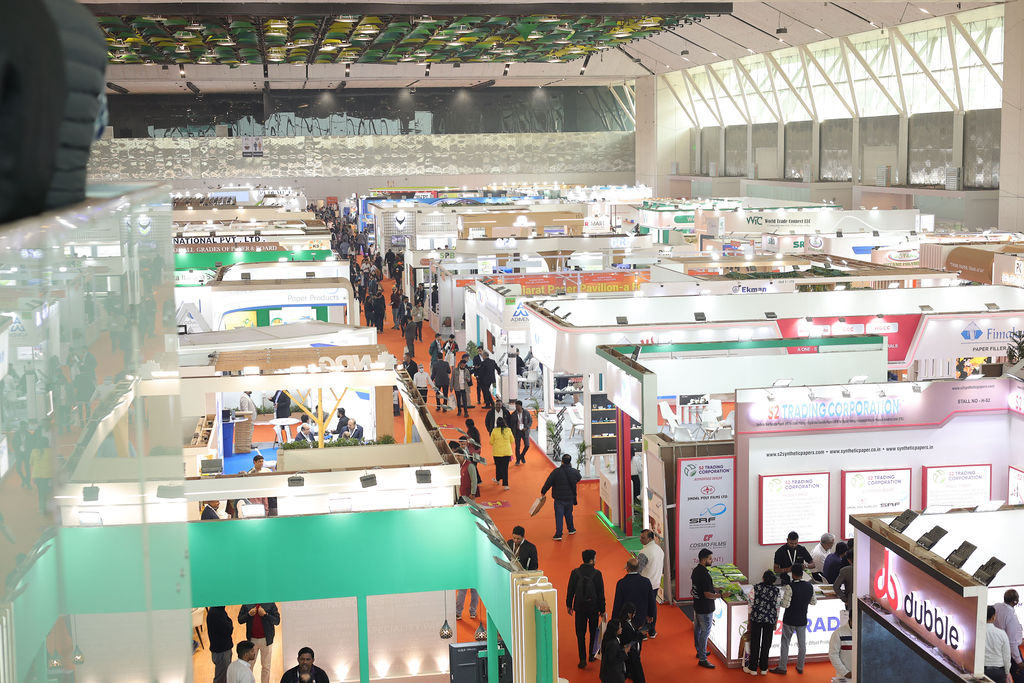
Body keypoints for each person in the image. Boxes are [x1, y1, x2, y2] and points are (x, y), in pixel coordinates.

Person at [770, 563, 816, 675]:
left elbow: (785, 605)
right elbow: (813, 602)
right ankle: (800, 666)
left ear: (792, 573)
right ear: (802, 573)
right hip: (802, 619)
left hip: (789, 619)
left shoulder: (789, 587)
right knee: (802, 644)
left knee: (785, 643)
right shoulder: (810, 586)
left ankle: (782, 667)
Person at [567, 549, 606, 669]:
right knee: (594, 632)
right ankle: (592, 654)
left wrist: (569, 605)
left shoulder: (575, 573)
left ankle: (582, 659)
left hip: (579, 607)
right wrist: (602, 610)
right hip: (593, 608)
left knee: (580, 633)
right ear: (591, 560)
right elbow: (600, 593)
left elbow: (570, 590)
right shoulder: (597, 574)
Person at [745, 570, 781, 675]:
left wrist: (749, 620)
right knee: (766, 643)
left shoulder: (755, 588)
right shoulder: (776, 591)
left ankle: (753, 668)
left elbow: (750, 605)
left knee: (755, 643)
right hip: (770, 620)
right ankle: (764, 667)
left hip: (756, 618)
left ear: (763, 578)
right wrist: (775, 621)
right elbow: (777, 608)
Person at [541, 454, 582, 540]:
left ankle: (558, 534)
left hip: (559, 498)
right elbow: (579, 478)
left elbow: (548, 482)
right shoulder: (574, 471)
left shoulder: (556, 472)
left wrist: (543, 492)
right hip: (570, 498)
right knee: (569, 514)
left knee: (559, 516)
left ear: (562, 461)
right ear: (570, 462)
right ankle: (571, 529)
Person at [691, 548, 721, 669]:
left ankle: (699, 651)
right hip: (705, 608)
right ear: (704, 559)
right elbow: (708, 594)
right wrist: (721, 595)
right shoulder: (705, 575)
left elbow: (694, 589)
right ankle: (703, 658)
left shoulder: (696, 571)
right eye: (710, 558)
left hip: (697, 606)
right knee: (705, 632)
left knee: (697, 629)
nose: (711, 560)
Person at [238, 603, 281, 683]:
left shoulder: (270, 603)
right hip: (251, 641)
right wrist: (248, 614)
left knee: (266, 667)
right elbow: (240, 620)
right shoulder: (247, 603)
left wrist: (266, 615)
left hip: (266, 641)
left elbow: (277, 621)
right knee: (249, 666)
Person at [612, 557, 656, 629]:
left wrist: (614, 619)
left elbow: (617, 602)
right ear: (638, 568)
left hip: (625, 617)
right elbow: (651, 600)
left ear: (627, 568)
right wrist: (651, 614)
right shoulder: (646, 582)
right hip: (641, 615)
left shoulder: (621, 583)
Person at [637, 529, 664, 638]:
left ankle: (643, 633)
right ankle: (652, 630)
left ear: (650, 538)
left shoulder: (644, 552)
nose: (640, 539)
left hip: (644, 584)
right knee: (652, 608)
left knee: (642, 608)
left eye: (643, 538)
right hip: (656, 583)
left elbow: (637, 570)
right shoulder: (659, 550)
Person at [994, 589, 1024, 680]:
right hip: (1009, 651)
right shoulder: (1010, 617)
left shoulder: (996, 606)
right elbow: (1012, 642)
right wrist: (1019, 662)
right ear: (1015, 601)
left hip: (998, 647)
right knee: (1020, 676)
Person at [618, 602, 647, 683]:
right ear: (628, 613)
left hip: (629, 654)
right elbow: (631, 639)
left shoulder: (625, 622)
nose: (634, 615)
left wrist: (638, 631)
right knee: (639, 677)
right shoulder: (625, 625)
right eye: (633, 613)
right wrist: (640, 634)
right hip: (631, 654)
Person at [207, 606, 234, 683]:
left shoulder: (218, 611)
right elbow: (229, 629)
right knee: (221, 678)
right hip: (222, 652)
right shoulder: (216, 613)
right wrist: (230, 623)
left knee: (224, 677)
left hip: (221, 650)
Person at [988, 605, 1014, 683]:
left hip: (981, 670)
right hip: (998, 672)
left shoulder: (976, 632)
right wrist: (1006, 673)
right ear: (993, 617)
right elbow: (1006, 656)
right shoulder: (1001, 634)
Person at [599, 618, 629, 683]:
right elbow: (613, 660)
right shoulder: (613, 643)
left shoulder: (608, 638)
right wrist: (624, 652)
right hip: (613, 676)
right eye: (620, 627)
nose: (621, 628)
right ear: (615, 630)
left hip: (608, 674)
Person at [489, 417, 514, 491]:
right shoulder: (508, 430)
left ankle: (497, 479)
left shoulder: (494, 430)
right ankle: (505, 484)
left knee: (498, 467)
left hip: (497, 453)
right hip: (507, 452)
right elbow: (512, 440)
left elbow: (491, 442)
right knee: (505, 468)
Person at [828, 611, 853, 680]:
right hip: (845, 677)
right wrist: (845, 672)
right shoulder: (838, 633)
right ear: (850, 619)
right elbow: (833, 655)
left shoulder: (865, 632)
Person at [511, 400, 532, 465]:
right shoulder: (514, 414)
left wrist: (526, 427)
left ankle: (521, 456)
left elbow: (530, 421)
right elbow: (511, 424)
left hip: (525, 431)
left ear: (520, 406)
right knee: (517, 447)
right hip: (517, 432)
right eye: (515, 406)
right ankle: (518, 460)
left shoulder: (526, 413)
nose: (516, 407)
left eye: (517, 406)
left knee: (527, 445)